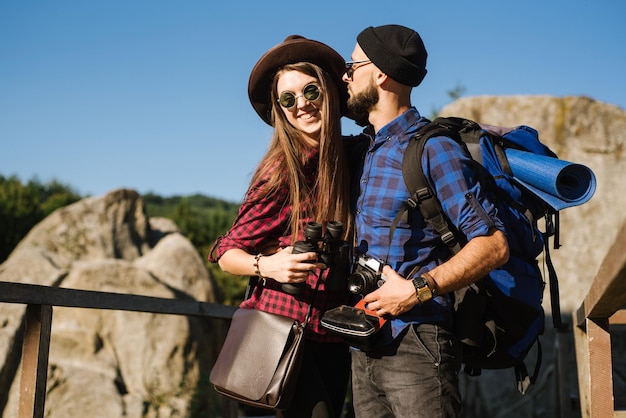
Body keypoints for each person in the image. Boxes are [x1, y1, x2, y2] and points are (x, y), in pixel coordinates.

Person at [342, 24, 510, 417]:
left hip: (416, 342)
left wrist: (415, 291)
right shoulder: (366, 150)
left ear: (380, 73)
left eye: (353, 66)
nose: (346, 76)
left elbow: (493, 243)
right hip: (362, 340)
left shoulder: (433, 148)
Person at [208, 35, 353, 418]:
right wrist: (268, 265)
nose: (301, 104)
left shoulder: (349, 159)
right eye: (288, 99)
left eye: (310, 90)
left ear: (329, 91)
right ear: (281, 111)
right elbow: (224, 251)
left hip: (330, 334)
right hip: (277, 336)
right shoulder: (280, 172)